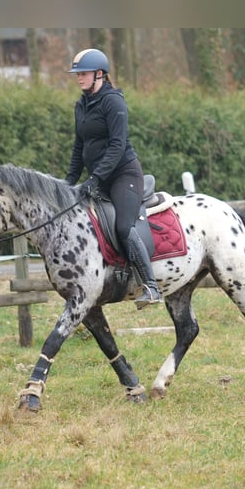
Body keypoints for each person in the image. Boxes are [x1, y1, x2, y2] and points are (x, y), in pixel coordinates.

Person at [65, 48, 163, 309]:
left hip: (124, 175)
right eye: (77, 74)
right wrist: (67, 183)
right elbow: (79, 147)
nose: (78, 78)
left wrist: (95, 178)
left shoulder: (113, 102)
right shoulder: (82, 105)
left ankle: (151, 287)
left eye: (83, 73)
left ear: (99, 74)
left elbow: (117, 145)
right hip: (99, 177)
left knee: (122, 227)